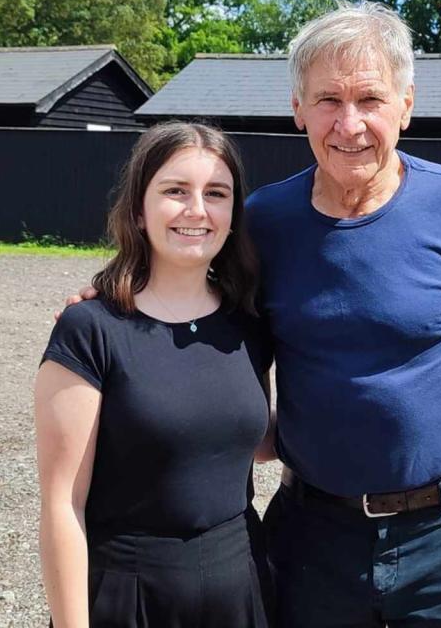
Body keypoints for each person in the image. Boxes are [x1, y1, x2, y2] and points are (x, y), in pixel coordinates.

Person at [63, 2, 441, 628]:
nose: (349, 124)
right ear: (297, 109)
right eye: (327, 100)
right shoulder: (264, 222)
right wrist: (111, 303)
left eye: (370, 99)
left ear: (406, 104)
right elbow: (187, 296)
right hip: (314, 535)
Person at [35, 122, 273, 627]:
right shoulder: (90, 329)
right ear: (139, 210)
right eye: (174, 191)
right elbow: (63, 507)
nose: (196, 210)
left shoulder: (248, 323)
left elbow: (246, 441)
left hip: (241, 584)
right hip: (130, 594)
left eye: (216, 193)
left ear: (233, 214)